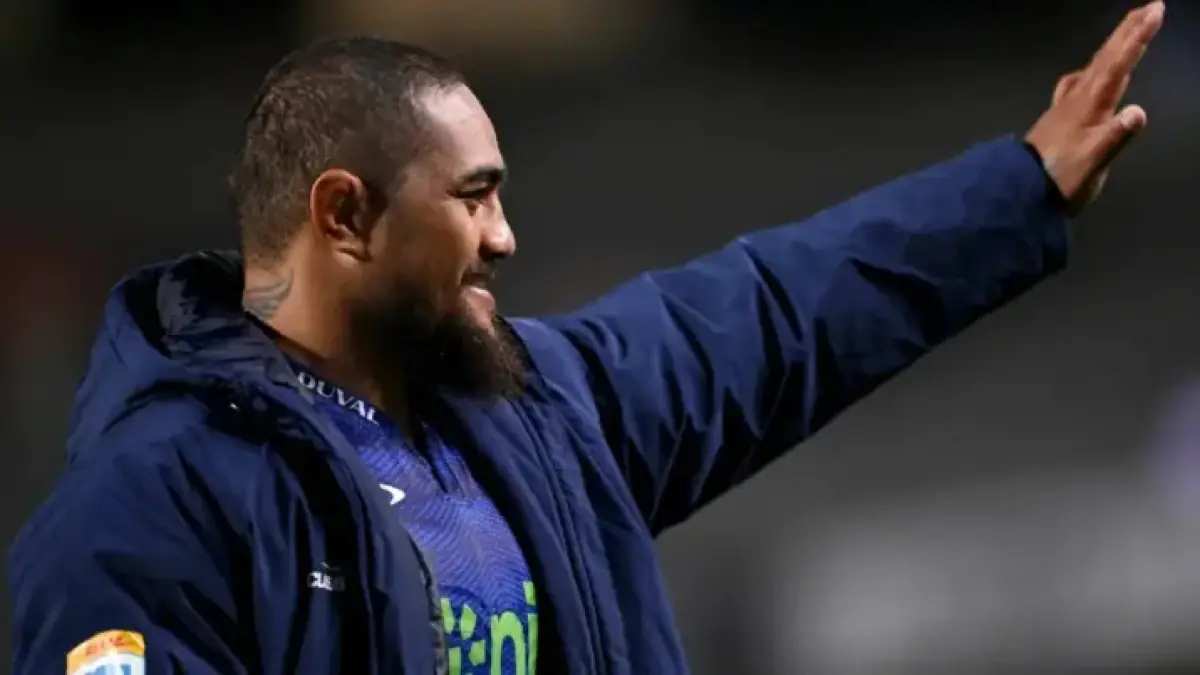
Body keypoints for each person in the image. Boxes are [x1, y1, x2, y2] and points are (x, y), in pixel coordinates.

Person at [9, 3, 1165, 674]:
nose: (505, 237)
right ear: (345, 216)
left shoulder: (544, 410)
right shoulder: (148, 514)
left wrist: (1015, 192)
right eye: (472, 198)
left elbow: (780, 310)